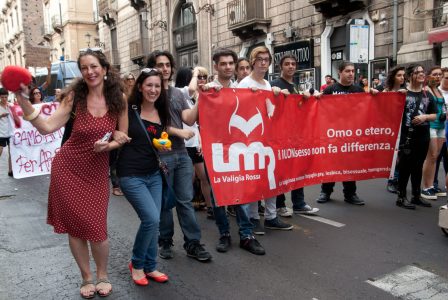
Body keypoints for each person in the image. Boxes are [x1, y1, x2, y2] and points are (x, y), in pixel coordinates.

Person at [15, 49, 129, 298]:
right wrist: (22, 100)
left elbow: (122, 136)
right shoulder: (74, 98)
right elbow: (46, 127)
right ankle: (87, 277)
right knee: (76, 228)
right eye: (85, 68)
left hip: (97, 171)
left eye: (94, 66)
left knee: (97, 227)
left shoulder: (118, 98)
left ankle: (102, 274)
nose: (90, 72)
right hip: (68, 168)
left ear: (105, 69)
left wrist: (109, 145)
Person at [146, 50, 212, 262]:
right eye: (159, 65)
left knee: (185, 200)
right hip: (160, 155)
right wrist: (177, 131)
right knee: (166, 202)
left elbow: (189, 119)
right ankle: (165, 240)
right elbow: (151, 123)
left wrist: (201, 98)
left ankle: (193, 243)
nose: (164, 68)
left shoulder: (179, 94)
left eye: (167, 64)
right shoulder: (150, 93)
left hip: (182, 155)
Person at [203, 48, 265, 255]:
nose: (228, 67)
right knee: (219, 196)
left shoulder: (242, 90)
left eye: (231, 63)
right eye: (223, 64)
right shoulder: (208, 89)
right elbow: (195, 120)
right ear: (216, 66)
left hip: (239, 151)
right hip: (217, 152)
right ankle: (224, 234)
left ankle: (247, 235)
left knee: (242, 194)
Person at [117, 68, 170, 286]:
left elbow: (160, 138)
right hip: (131, 174)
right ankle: (137, 264)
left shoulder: (161, 110)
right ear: (140, 86)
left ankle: (150, 266)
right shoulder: (128, 109)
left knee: (153, 222)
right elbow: (114, 129)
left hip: (154, 173)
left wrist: (163, 145)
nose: (153, 89)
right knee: (151, 219)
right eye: (149, 85)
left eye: (157, 85)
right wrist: (115, 134)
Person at [238, 45, 293, 233]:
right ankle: (253, 217)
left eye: (266, 60)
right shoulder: (244, 84)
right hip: (250, 139)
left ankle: (270, 216)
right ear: (253, 62)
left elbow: (270, 110)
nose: (263, 63)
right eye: (259, 59)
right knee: (254, 179)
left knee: (271, 177)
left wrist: (277, 96)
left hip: (267, 138)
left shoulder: (267, 84)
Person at [316, 61, 378, 206]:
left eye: (353, 71)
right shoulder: (331, 89)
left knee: (350, 164)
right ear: (340, 72)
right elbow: (320, 109)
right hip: (333, 134)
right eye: (347, 71)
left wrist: (374, 94)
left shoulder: (359, 89)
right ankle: (326, 191)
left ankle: (350, 194)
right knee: (331, 164)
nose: (351, 74)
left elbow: (366, 108)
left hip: (351, 134)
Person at [270, 54, 319, 217]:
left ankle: (299, 203)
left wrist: (309, 99)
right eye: (287, 64)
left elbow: (298, 109)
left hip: (296, 136)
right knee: (281, 172)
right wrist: (274, 94)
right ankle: (280, 205)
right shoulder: (275, 85)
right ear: (280, 67)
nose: (290, 66)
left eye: (293, 64)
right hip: (280, 136)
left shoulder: (295, 86)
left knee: (298, 169)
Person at [174, 66, 214, 219]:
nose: (201, 80)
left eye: (204, 77)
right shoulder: (180, 94)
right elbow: (190, 89)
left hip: (198, 142)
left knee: (204, 177)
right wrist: (195, 73)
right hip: (183, 143)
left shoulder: (202, 95)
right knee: (187, 179)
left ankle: (210, 207)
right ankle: (186, 207)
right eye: (198, 77)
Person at [396, 64, 437, 209]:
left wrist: (425, 117)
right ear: (409, 76)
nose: (421, 74)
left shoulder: (427, 94)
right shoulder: (402, 93)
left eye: (422, 72)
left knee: (418, 166)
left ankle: (416, 196)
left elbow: (434, 114)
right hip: (407, 136)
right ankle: (401, 197)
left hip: (423, 135)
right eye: (417, 72)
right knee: (405, 167)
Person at [421, 66, 446, 200]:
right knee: (431, 156)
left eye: (439, 75)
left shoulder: (439, 90)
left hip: (441, 125)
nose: (437, 77)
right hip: (430, 125)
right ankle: (426, 187)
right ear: (428, 75)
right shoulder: (426, 90)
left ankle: (432, 185)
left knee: (436, 157)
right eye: (435, 74)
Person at [383, 66, 407, 194]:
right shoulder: (386, 92)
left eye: (403, 75)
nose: (402, 78)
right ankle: (392, 181)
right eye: (399, 75)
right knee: (394, 156)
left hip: (404, 126)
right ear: (393, 77)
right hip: (391, 128)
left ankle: (398, 179)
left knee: (402, 155)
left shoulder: (407, 91)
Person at [0, 88, 12, 176]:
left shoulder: (11, 106)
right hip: (1, 133)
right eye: (2, 97)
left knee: (11, 152)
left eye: (5, 97)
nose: (4, 99)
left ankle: (10, 170)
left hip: (11, 133)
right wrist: (1, 116)